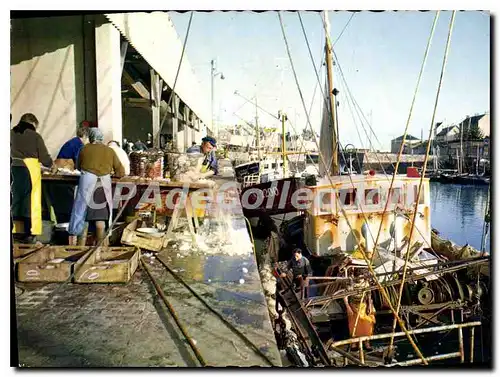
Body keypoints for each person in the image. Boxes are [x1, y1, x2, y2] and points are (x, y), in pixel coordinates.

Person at [68, 128, 125, 246]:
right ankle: (101, 250)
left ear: (91, 137)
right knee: (100, 220)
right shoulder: (109, 151)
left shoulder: (84, 149)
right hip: (102, 188)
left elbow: (78, 166)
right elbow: (121, 171)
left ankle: (79, 250)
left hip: (86, 185)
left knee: (83, 218)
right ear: (101, 138)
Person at [11, 113, 54, 242]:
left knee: (13, 200)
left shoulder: (9, 133)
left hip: (11, 167)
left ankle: (13, 232)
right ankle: (29, 233)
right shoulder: (35, 136)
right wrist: (51, 165)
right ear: (33, 124)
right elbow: (45, 158)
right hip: (28, 170)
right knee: (30, 202)